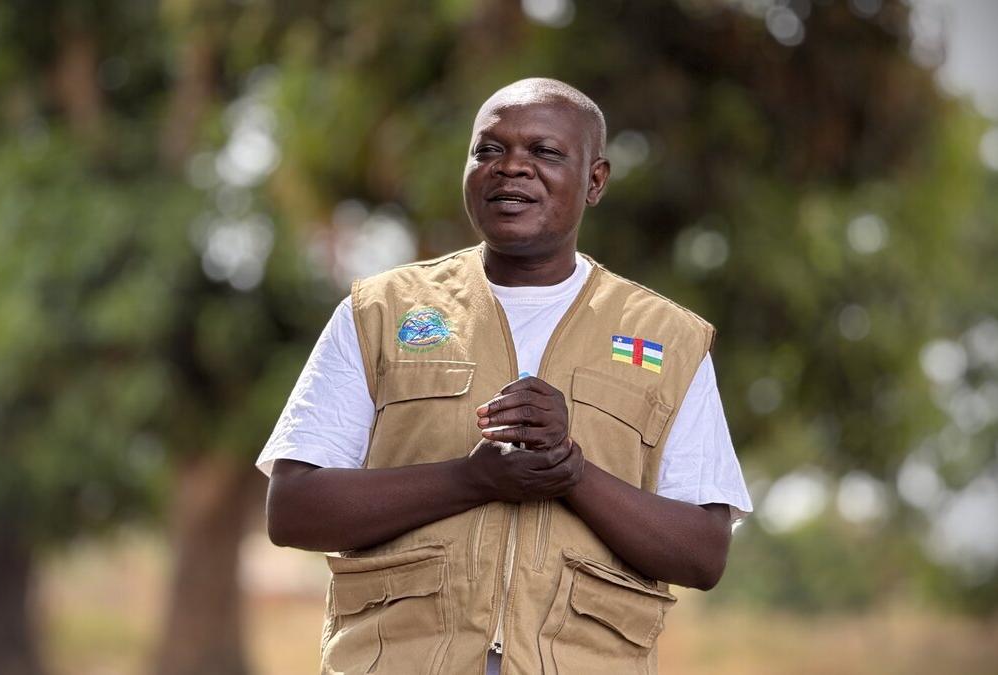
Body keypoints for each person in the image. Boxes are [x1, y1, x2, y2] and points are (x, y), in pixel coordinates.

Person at [257, 78, 752, 675]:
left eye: (544, 153)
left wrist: (571, 473)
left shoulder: (670, 340)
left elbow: (703, 555)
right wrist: (473, 480)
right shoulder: (380, 312)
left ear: (595, 180)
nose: (512, 168)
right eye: (489, 150)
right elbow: (293, 510)